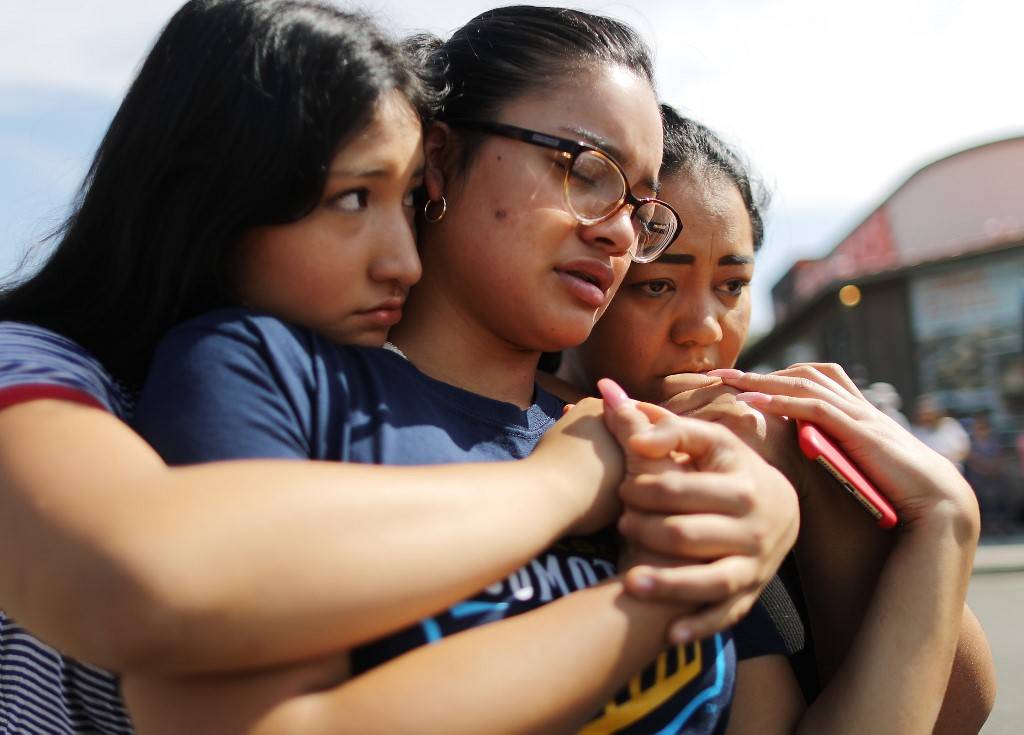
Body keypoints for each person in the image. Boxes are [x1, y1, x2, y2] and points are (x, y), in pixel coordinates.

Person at [0, 4, 799, 734]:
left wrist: (779, 503)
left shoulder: (612, 429)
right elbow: (149, 579)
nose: (401, 256)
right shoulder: (106, 370)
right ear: (222, 186)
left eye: (641, 208)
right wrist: (604, 529)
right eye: (354, 197)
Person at [557, 106, 995, 732]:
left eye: (732, 286)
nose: (705, 329)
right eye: (656, 286)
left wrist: (816, 474)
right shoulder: (547, 454)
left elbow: (956, 711)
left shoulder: (775, 443)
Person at [911, 393, 971, 472]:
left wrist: (948, 460)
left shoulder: (950, 425)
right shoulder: (915, 432)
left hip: (954, 471)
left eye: (929, 414)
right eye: (923, 414)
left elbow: (964, 450)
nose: (926, 418)